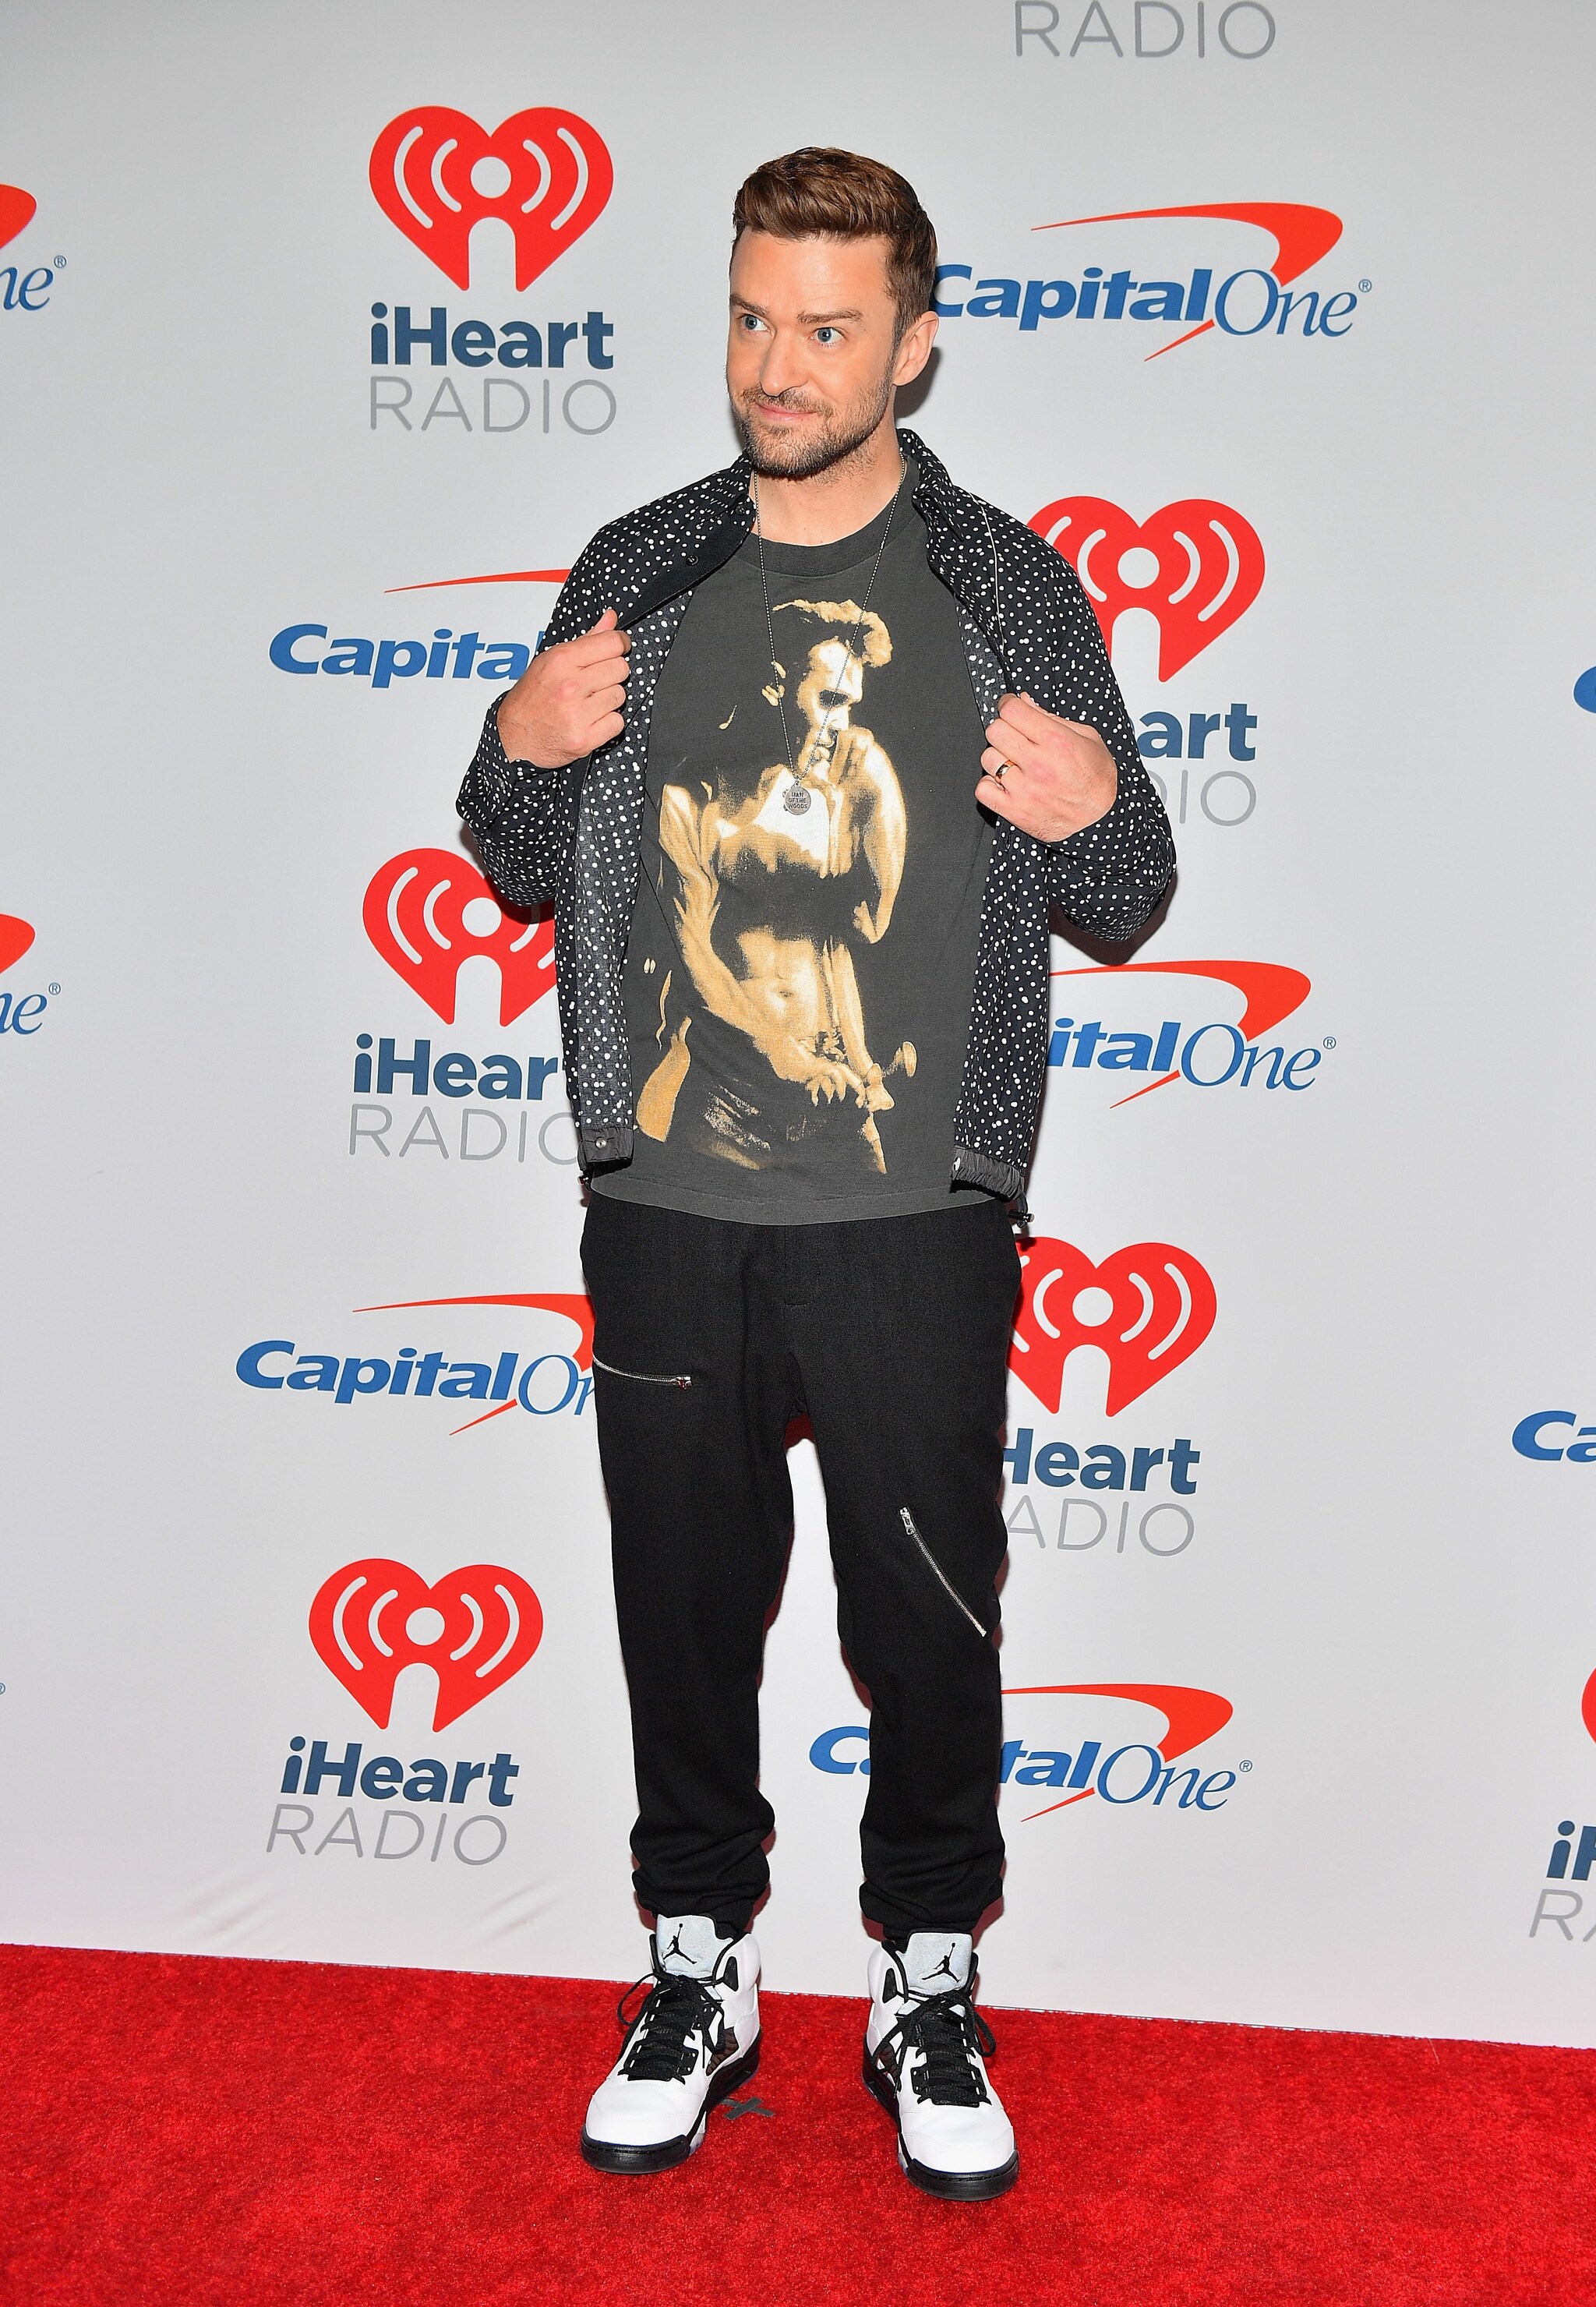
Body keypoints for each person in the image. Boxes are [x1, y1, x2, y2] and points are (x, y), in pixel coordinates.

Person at [457, 147, 1174, 2202]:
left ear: (912, 348)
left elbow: (1129, 884)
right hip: (667, 1198)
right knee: (681, 1610)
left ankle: (927, 1976)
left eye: (829, 329)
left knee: (927, 1621)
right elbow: (513, 849)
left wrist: (1098, 803)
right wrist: (521, 741)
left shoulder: (1004, 585)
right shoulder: (642, 560)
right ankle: (697, 1961)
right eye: (755, 317)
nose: (780, 365)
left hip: (913, 1215)